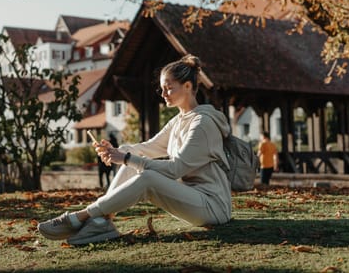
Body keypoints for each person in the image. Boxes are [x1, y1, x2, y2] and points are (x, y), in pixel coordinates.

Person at [37, 54, 232, 245]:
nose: (163, 94)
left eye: (169, 89)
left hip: (212, 206)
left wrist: (126, 157)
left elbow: (175, 169)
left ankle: (82, 216)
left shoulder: (202, 124)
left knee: (146, 176)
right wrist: (116, 151)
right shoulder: (178, 121)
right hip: (190, 198)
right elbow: (148, 148)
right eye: (162, 89)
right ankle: (103, 221)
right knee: (135, 160)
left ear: (188, 87)